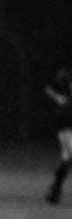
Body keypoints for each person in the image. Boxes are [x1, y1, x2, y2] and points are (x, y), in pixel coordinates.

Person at [45, 68, 72, 204]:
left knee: (67, 156)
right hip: (65, 120)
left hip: (65, 119)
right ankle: (54, 190)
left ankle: (55, 190)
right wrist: (58, 98)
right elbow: (49, 88)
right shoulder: (65, 80)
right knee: (68, 154)